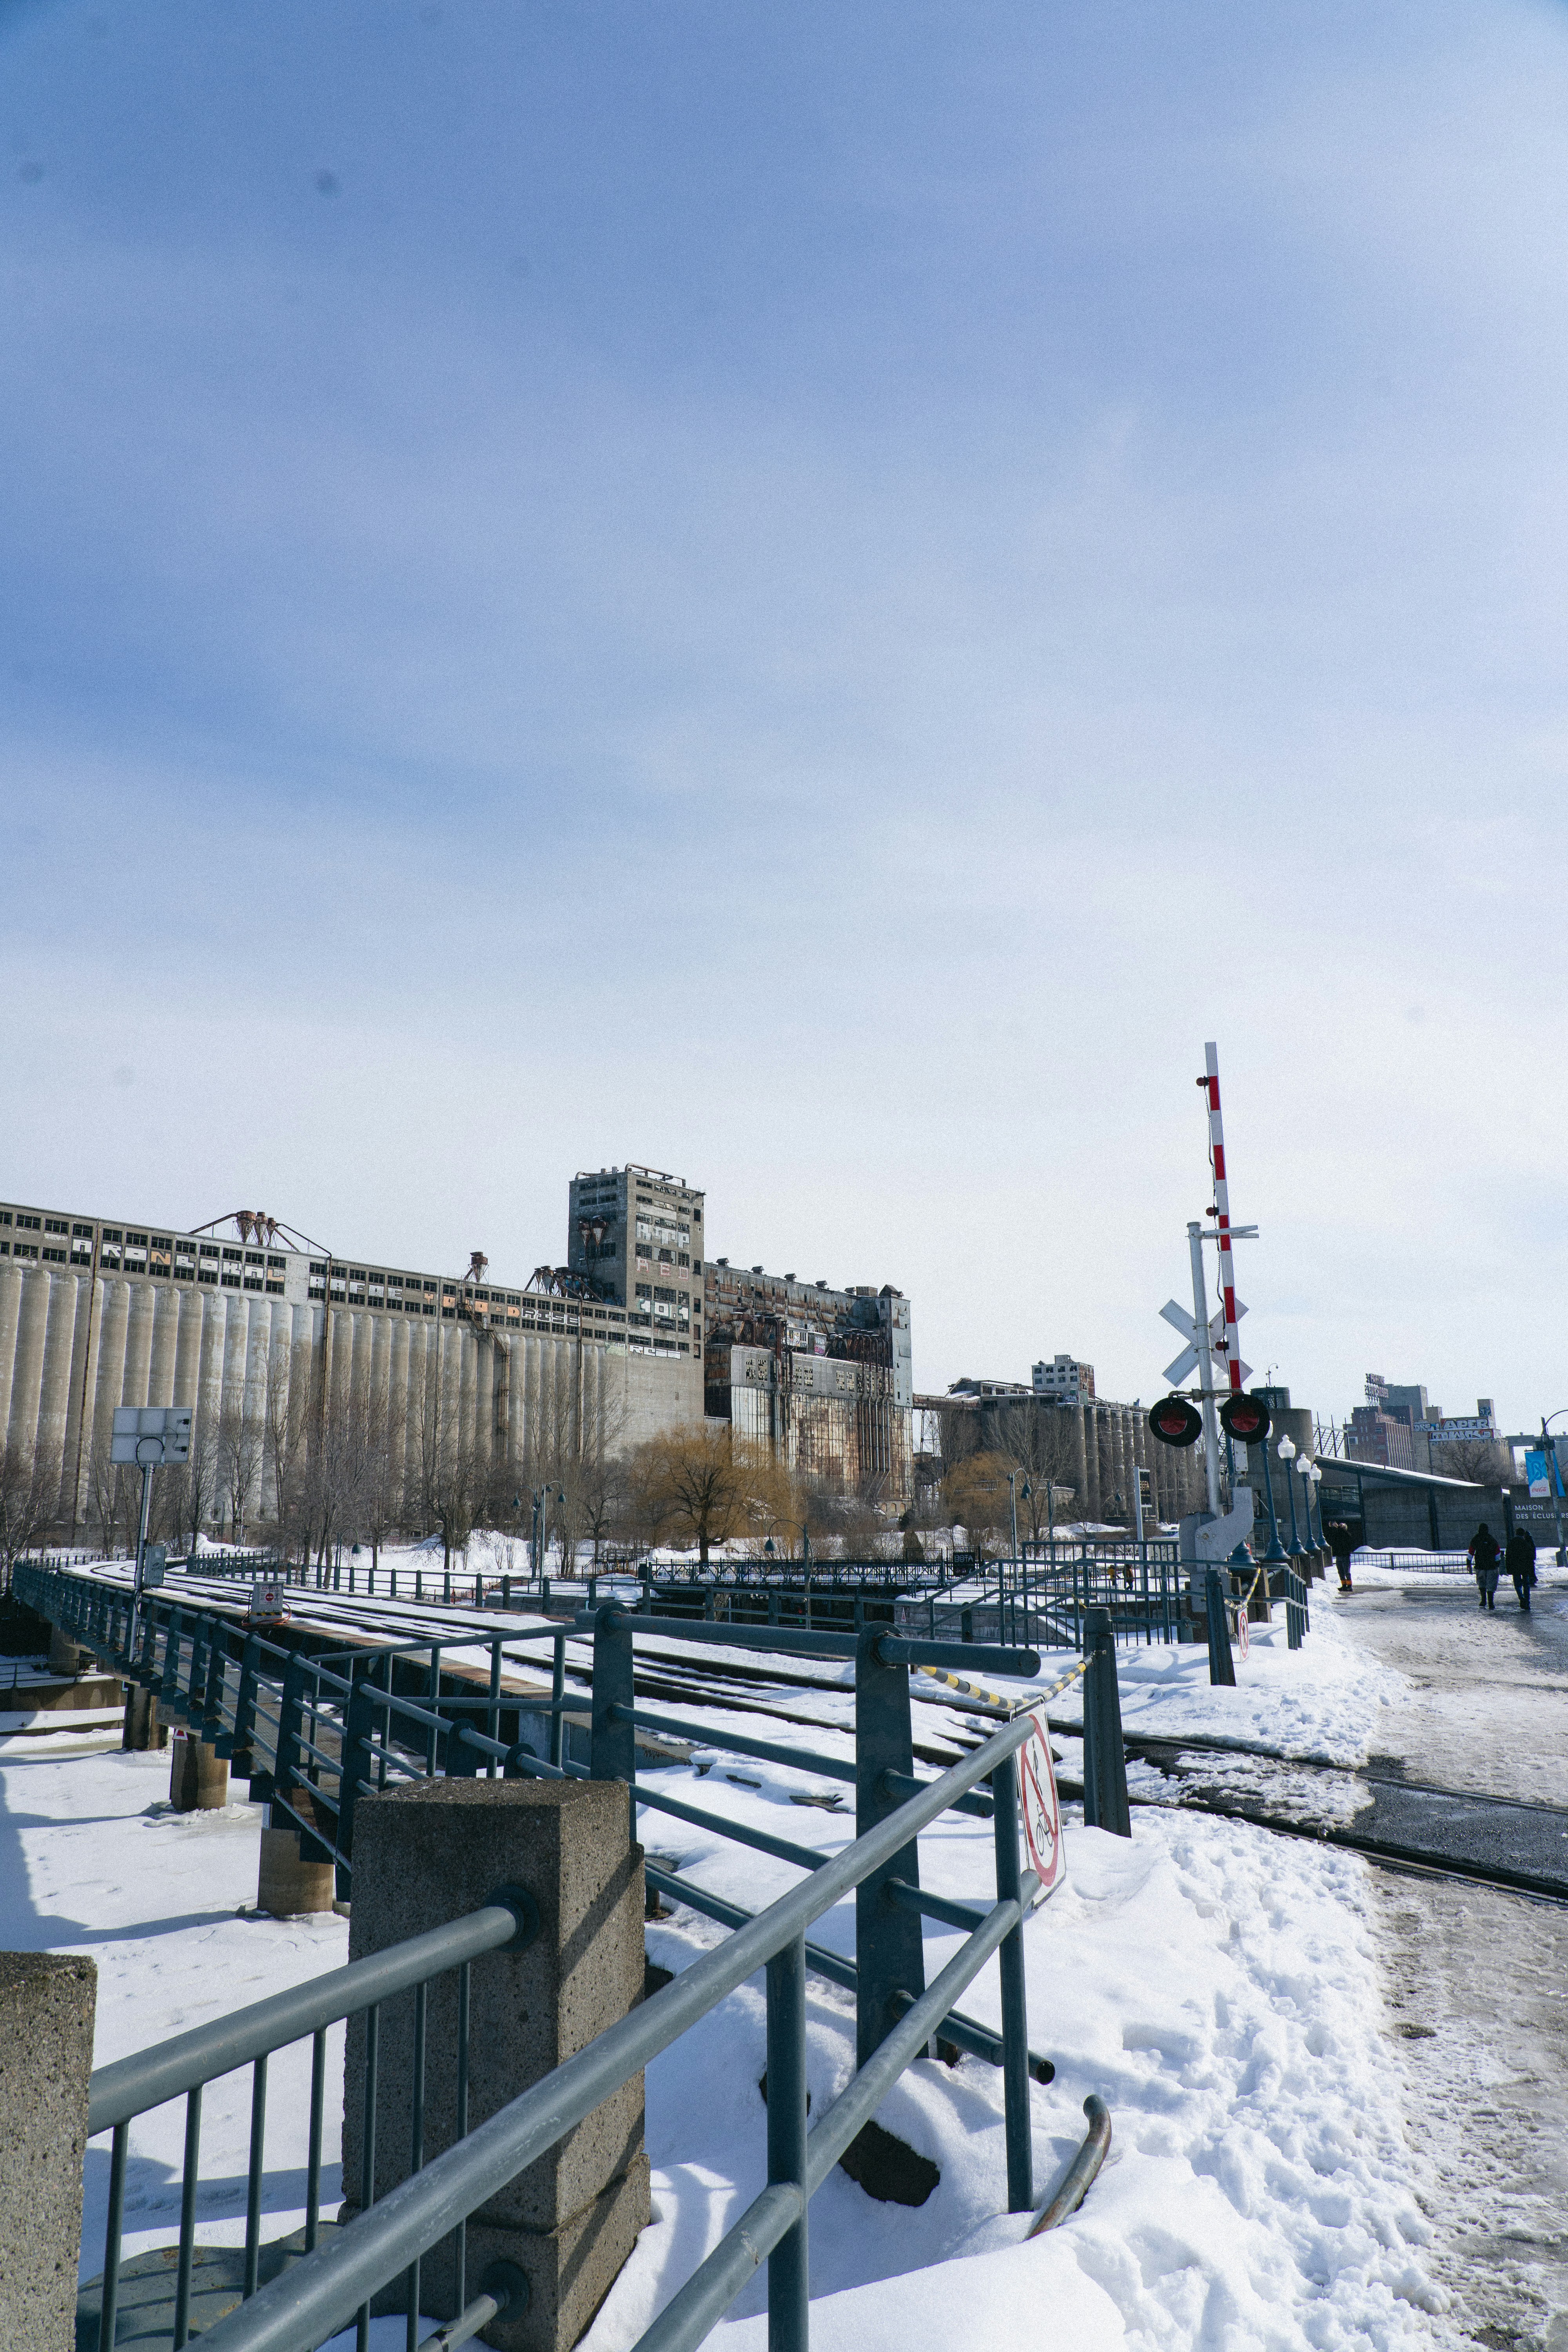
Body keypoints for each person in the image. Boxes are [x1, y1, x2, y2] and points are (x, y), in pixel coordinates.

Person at [1505, 1526, 1537, 1613]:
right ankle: (1527, 1601)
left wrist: (1508, 1568)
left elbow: (1508, 1556)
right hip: (1525, 1568)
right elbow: (1531, 1557)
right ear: (1523, 1535)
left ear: (1516, 1534)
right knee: (1526, 1585)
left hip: (1515, 1568)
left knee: (1517, 1585)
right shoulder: (1526, 1543)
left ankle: (1521, 1598)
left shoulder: (1511, 1543)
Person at [1468, 1522, 1501, 1611]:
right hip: (1491, 1566)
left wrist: (1469, 1562)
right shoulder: (1492, 1539)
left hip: (1480, 1565)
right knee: (1491, 1584)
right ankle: (1491, 1603)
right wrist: (1498, 1563)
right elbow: (1497, 1552)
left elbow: (1471, 1551)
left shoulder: (1476, 1539)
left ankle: (1483, 1601)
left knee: (1481, 1583)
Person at [1327, 1520, 1355, 1592]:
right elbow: (1333, 1537)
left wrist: (1339, 1528)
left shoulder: (1346, 1534)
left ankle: (1350, 1586)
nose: (1340, 1526)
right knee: (1341, 1572)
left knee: (1347, 1572)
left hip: (1345, 1556)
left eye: (1342, 1526)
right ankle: (1344, 1586)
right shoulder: (1338, 1534)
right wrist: (1335, 1527)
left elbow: (1344, 1534)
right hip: (1339, 1556)